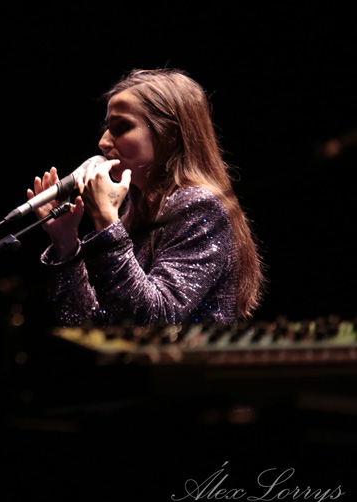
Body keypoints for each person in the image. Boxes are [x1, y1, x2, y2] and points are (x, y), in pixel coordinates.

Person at [30, 68, 264, 326]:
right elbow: (89, 327)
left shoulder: (198, 206)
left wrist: (107, 223)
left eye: (122, 127)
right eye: (107, 127)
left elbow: (155, 320)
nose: (103, 142)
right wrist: (65, 244)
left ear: (169, 134)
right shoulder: (134, 216)